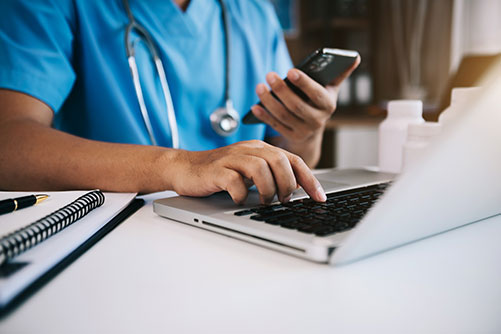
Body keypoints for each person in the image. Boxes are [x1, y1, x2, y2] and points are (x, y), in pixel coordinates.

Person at [0, 0, 359, 205]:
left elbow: (286, 155)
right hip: (110, 233)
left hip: (240, 225)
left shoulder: (253, 11)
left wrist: (306, 132)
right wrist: (179, 166)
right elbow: (10, 146)